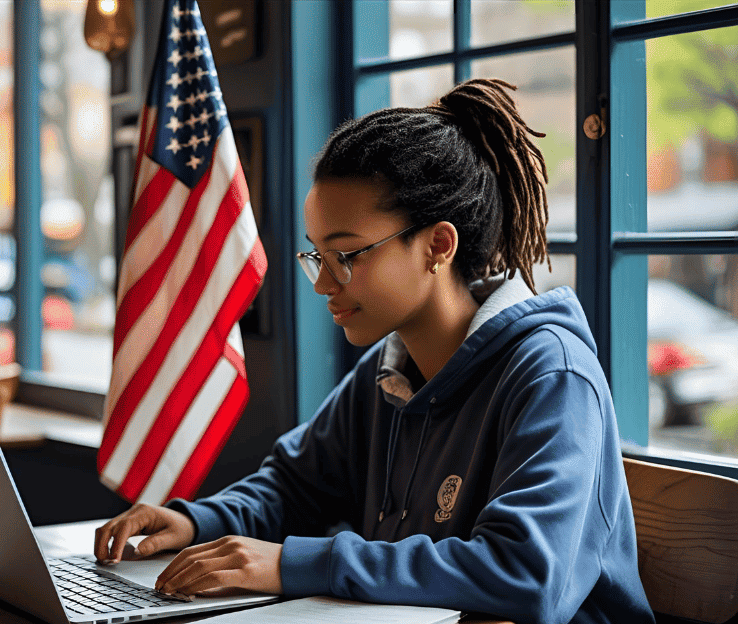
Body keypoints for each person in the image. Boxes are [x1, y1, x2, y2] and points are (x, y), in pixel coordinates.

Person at [94, 78, 656, 623]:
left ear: (438, 245)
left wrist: (295, 563)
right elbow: (292, 487)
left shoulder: (551, 374)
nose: (322, 283)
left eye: (348, 256)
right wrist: (197, 522)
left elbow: (526, 573)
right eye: (317, 256)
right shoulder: (389, 371)